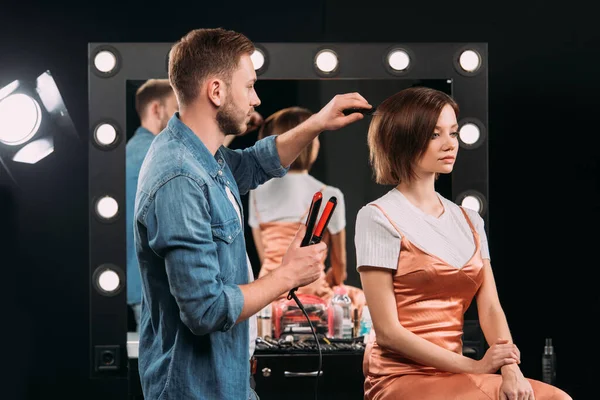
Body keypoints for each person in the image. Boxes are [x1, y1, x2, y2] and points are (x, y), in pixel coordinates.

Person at [134, 27, 371, 400]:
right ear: (216, 91)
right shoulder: (179, 177)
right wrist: (288, 275)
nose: (256, 99)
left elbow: (254, 164)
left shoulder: (203, 157)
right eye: (248, 87)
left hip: (229, 379)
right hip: (196, 389)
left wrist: (316, 123)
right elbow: (205, 310)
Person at [355, 86, 571, 399]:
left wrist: (511, 369)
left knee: (557, 398)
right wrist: (475, 366)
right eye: (433, 134)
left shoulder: (470, 221)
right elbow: (388, 334)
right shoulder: (377, 217)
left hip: (461, 373)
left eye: (453, 133)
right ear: (401, 139)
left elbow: (492, 309)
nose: (450, 144)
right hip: (400, 377)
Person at [249, 106, 366, 317]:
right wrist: (335, 279)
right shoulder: (330, 194)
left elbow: (265, 256)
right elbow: (340, 264)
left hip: (269, 297)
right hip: (314, 295)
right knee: (358, 302)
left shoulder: (256, 193)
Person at [125, 78, 178, 331]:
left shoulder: (131, 152)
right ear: (157, 109)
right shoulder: (158, 153)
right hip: (157, 283)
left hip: (140, 281)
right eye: (177, 108)